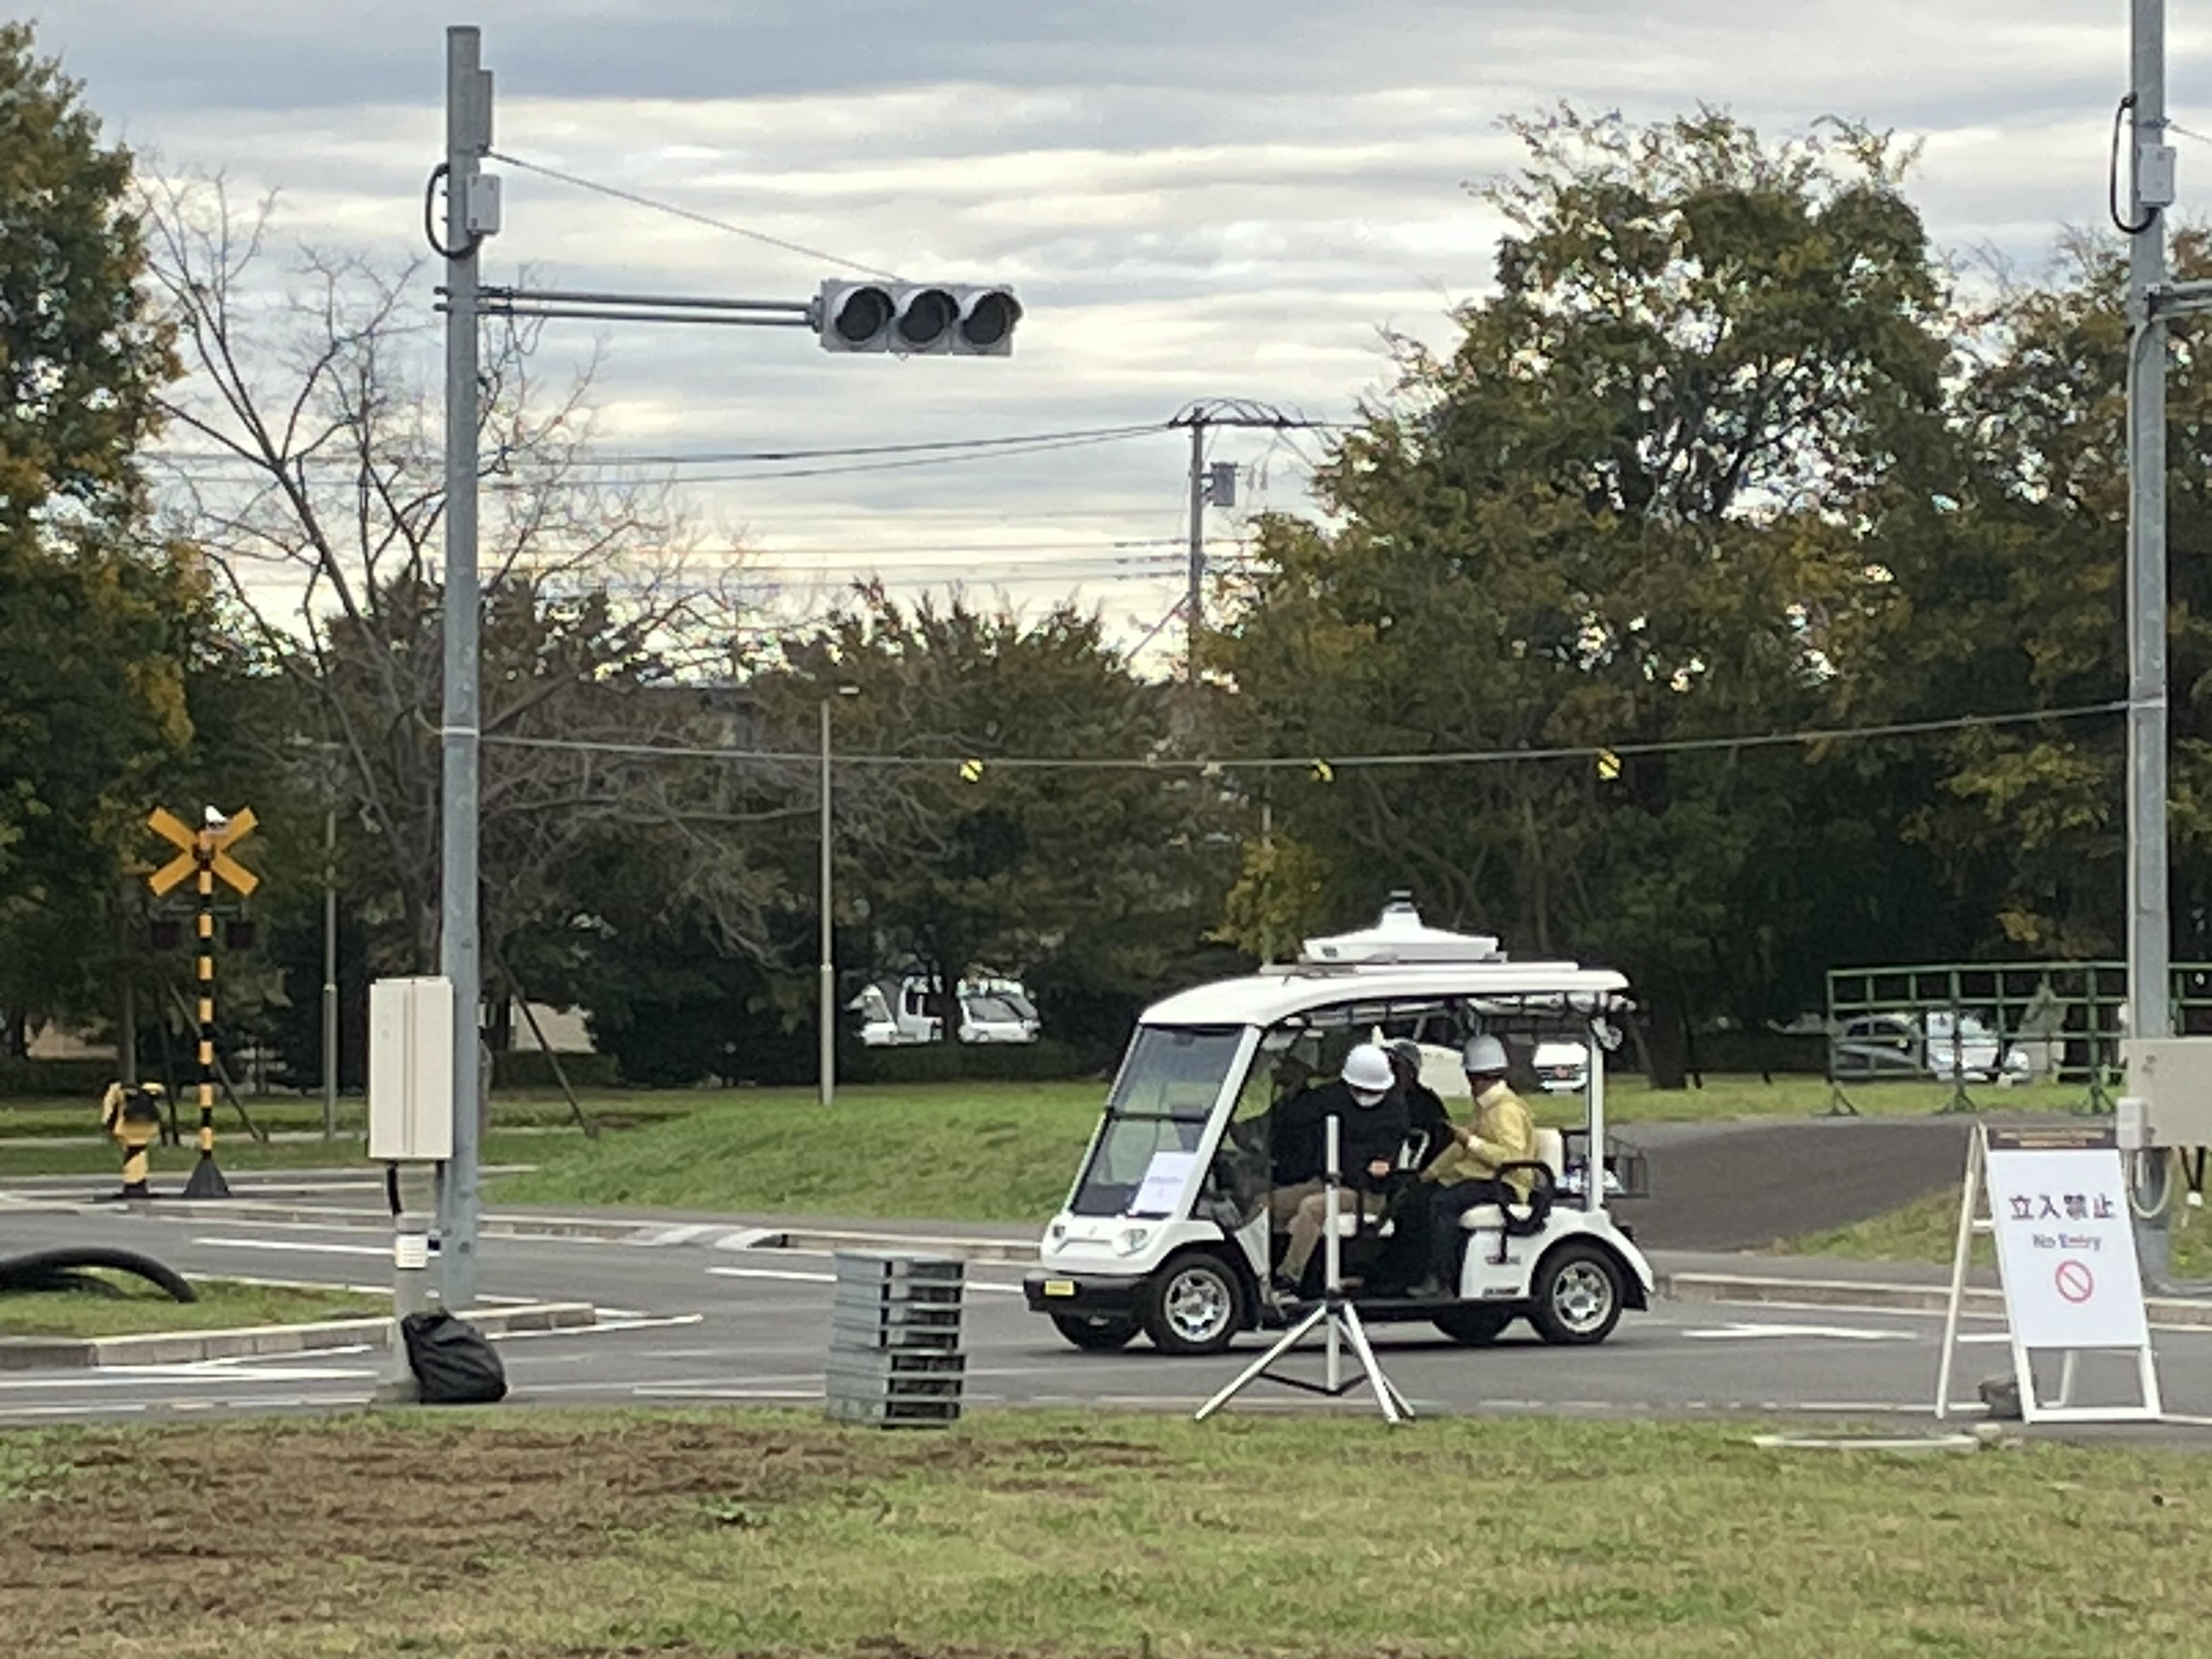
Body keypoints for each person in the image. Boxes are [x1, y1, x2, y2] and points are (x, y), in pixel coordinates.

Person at [1387, 1035, 1538, 1298]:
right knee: (1417, 1198)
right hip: (1484, 1180)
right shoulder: (1486, 1107)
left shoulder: (1506, 1110)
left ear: (1475, 1078)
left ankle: (1443, 1280)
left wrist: (1474, 1144)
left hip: (1506, 1184)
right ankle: (1407, 1271)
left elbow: (1511, 1157)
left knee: (1443, 1203)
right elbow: (1458, 1149)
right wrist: (1427, 1175)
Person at [1269, 1042, 1409, 1295]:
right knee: (1266, 1204)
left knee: (1311, 1208)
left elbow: (1382, 1161)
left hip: (1366, 1194)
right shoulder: (1333, 1098)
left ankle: (1289, 1279)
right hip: (1328, 1181)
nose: (1365, 1095)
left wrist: (1379, 1170)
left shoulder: (1395, 1113)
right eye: (1359, 1088)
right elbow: (1298, 1115)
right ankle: (1257, 1270)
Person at [1387, 1039, 1455, 1172]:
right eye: (1390, 1065)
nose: (1392, 1071)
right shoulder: (1380, 1097)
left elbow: (1442, 1140)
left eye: (1397, 1066)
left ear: (1412, 1072)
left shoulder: (1428, 1105)